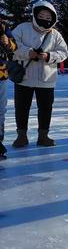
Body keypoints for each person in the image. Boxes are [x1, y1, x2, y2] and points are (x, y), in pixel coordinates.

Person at [11, 1, 68, 147]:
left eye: (48, 16)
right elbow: (11, 45)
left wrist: (49, 56)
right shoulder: (22, 28)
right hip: (24, 77)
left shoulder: (55, 34)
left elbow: (63, 52)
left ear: (53, 18)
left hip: (47, 79)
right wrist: (27, 52)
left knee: (46, 108)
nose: (45, 18)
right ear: (35, 14)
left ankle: (43, 136)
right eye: (41, 15)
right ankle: (21, 136)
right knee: (22, 108)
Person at [0, 17, 17, 159]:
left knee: (0, 110)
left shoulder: (3, 26)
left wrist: (7, 42)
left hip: (1, 74)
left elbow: (14, 47)